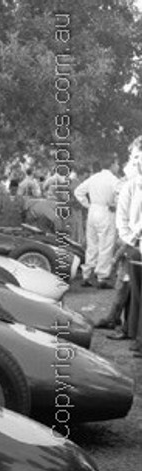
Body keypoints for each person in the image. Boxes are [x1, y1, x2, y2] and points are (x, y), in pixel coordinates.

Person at [74, 153, 120, 288]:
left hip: (92, 211)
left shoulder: (94, 178)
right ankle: (102, 277)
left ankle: (86, 275)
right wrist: (115, 205)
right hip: (106, 211)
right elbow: (122, 195)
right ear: (112, 165)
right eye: (117, 164)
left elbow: (78, 191)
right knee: (106, 245)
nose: (118, 166)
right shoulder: (113, 180)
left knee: (92, 244)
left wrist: (87, 205)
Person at [115, 136, 142, 355]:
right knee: (136, 294)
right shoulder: (131, 186)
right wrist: (132, 240)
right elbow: (122, 219)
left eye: (136, 157)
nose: (134, 162)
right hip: (137, 248)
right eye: (133, 158)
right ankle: (135, 336)